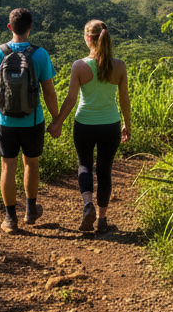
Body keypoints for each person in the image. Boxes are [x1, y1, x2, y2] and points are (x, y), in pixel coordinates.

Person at [49, 19, 131, 234]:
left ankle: (88, 205)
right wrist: (127, 124)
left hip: (84, 123)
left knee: (84, 165)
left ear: (88, 38)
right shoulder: (119, 66)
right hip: (110, 124)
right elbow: (124, 100)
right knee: (104, 171)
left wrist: (57, 122)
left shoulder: (79, 66)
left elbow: (71, 99)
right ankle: (102, 220)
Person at [0, 7, 59, 234]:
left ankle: (10, 218)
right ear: (30, 27)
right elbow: (49, 92)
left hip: (4, 121)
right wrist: (56, 119)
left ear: (9, 27)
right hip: (33, 120)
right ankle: (30, 211)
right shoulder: (40, 54)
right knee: (31, 164)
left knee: (8, 167)